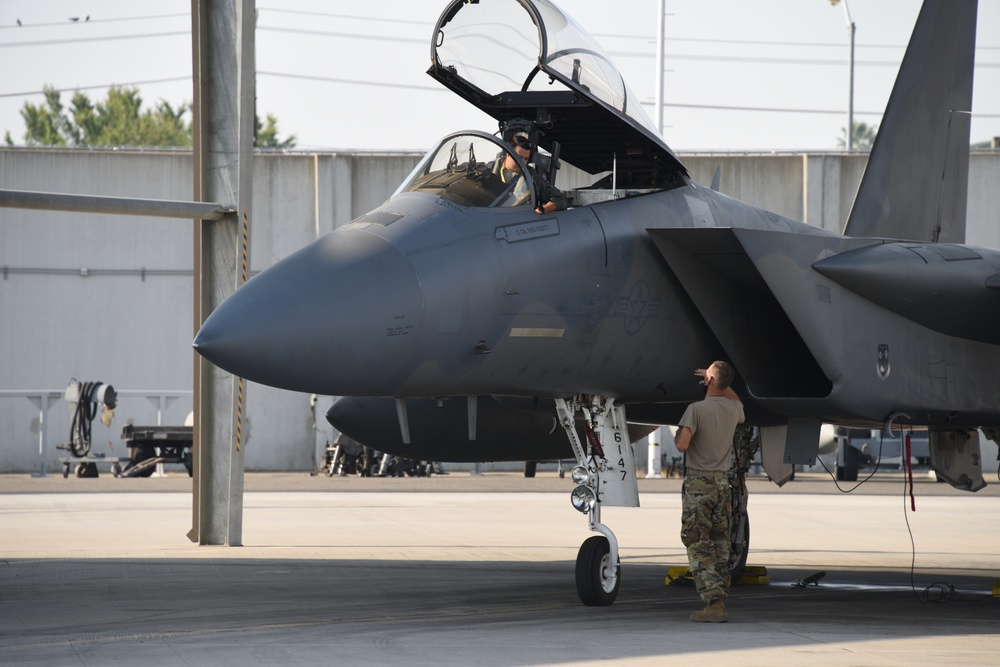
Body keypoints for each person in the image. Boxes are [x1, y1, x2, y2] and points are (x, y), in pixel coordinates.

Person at [673, 360, 745, 623]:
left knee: (696, 540)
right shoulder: (734, 409)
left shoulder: (696, 410)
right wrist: (718, 380)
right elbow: (736, 401)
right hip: (722, 485)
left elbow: (682, 445)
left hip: (699, 484)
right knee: (719, 542)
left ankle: (713, 602)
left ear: (709, 381)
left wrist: (680, 430)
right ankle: (720, 597)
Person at [496, 132, 566, 214]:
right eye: (519, 157)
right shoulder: (487, 170)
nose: (523, 163)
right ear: (508, 153)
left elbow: (560, 199)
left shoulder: (531, 176)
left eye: (526, 159)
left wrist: (542, 210)